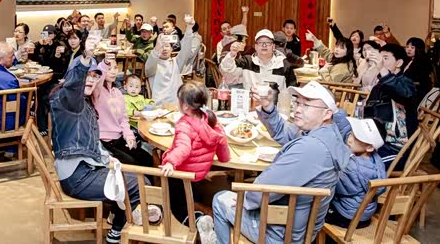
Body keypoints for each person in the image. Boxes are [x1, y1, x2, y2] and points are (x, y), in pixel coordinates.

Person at [213, 81, 348, 243]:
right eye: (297, 102)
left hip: (281, 233)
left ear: (327, 113)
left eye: (306, 105)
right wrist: (268, 106)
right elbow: (284, 132)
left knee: (220, 198)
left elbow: (263, 188)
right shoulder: (328, 134)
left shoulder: (311, 148)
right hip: (303, 227)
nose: (297, 109)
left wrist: (246, 199)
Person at [49, 34, 144, 244]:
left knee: (136, 175)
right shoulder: (68, 100)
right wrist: (86, 55)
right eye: (87, 75)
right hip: (77, 176)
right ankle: (117, 231)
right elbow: (74, 83)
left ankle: (120, 220)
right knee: (137, 183)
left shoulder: (86, 103)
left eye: (94, 76)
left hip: (88, 167)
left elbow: (92, 141)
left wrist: (107, 158)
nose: (91, 79)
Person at [159, 82, 228, 244]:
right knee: (190, 197)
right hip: (199, 175)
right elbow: (222, 141)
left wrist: (170, 162)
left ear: (184, 106)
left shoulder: (184, 124)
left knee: (176, 207)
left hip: (182, 175)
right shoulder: (210, 118)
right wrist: (224, 158)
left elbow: (183, 148)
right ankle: (201, 214)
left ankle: (198, 220)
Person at [327, 112, 387, 229]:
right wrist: (336, 112)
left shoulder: (353, 168)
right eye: (351, 134)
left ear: (370, 147)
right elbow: (345, 127)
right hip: (364, 215)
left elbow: (333, 185)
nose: (349, 139)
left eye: (355, 138)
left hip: (347, 216)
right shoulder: (375, 159)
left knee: (312, 208)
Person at [363, 44, 418, 169]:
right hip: (377, 142)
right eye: (380, 57)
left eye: (385, 58)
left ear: (399, 63)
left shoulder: (406, 82)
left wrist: (382, 70)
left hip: (396, 149)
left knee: (361, 166)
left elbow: (404, 95)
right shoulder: (380, 84)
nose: (381, 61)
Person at [93, 58, 153, 166]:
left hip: (120, 138)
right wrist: (105, 63)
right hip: (105, 142)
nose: (113, 71)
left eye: (115, 67)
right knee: (134, 163)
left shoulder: (118, 93)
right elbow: (98, 79)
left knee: (147, 159)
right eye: (109, 68)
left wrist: (129, 136)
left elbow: (124, 119)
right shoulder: (97, 92)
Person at [219, 29, 297, 98]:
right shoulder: (247, 61)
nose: (264, 45)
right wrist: (232, 54)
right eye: (260, 42)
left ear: (273, 46)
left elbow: (292, 91)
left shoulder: (284, 64)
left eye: (268, 42)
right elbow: (226, 71)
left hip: (276, 107)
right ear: (255, 46)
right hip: (250, 106)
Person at [145, 15, 195, 105]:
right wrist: (157, 47)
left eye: (167, 46)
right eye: (162, 46)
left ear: (172, 49)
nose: (164, 49)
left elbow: (185, 50)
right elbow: (148, 68)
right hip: (159, 106)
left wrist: (189, 28)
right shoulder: (154, 64)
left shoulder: (176, 62)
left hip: (177, 105)